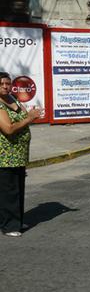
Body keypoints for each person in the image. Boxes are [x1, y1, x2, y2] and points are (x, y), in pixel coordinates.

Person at [0, 72, 42, 237]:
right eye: (2, 84)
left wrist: (33, 115)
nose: (5, 86)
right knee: (8, 192)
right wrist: (29, 118)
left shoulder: (13, 99)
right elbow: (8, 129)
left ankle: (15, 221)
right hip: (5, 156)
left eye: (8, 84)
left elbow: (25, 116)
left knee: (18, 189)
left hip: (18, 155)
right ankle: (9, 226)